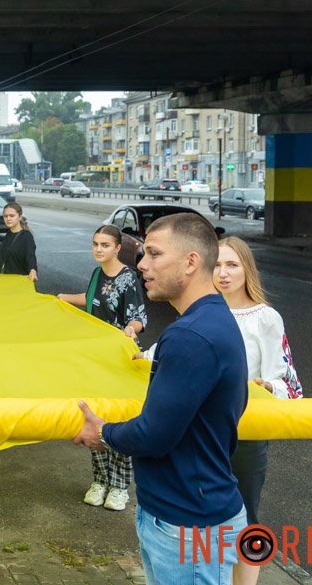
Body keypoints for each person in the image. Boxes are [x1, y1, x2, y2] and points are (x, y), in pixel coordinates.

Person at [73, 213, 248, 585]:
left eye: (153, 254)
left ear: (191, 262)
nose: (141, 264)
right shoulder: (215, 319)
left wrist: (103, 432)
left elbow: (154, 434)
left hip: (187, 524)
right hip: (190, 516)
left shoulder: (191, 336)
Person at [215, 237, 302, 585]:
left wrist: (268, 387)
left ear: (247, 269)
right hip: (203, 432)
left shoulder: (266, 318)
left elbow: (287, 381)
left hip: (247, 434)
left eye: (232, 265)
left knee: (245, 517)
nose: (223, 273)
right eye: (217, 265)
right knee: (203, 516)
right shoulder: (200, 311)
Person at [57, 225, 146, 512]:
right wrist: (63, 299)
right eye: (95, 244)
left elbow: (138, 317)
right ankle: (100, 480)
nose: (98, 249)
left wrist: (131, 330)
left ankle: (120, 486)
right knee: (94, 417)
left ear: (118, 248)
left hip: (119, 360)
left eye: (105, 245)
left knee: (118, 419)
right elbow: (93, 300)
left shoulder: (128, 278)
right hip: (94, 359)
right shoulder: (97, 274)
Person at [0, 202, 37, 283]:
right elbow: (4, 252)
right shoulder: (9, 233)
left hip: (17, 284)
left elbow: (31, 256)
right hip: (2, 281)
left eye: (12, 216)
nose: (8, 218)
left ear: (19, 217)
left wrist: (33, 270)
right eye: (5, 216)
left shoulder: (26, 236)